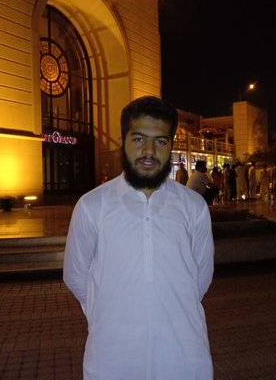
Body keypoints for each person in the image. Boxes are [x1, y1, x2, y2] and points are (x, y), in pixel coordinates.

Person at [63, 96, 215, 380]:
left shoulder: (193, 206)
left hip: (183, 356)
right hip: (111, 356)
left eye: (160, 141)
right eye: (138, 139)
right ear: (123, 141)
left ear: (171, 145)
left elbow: (201, 277)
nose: (149, 151)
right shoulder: (92, 205)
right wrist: (108, 314)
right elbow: (75, 275)